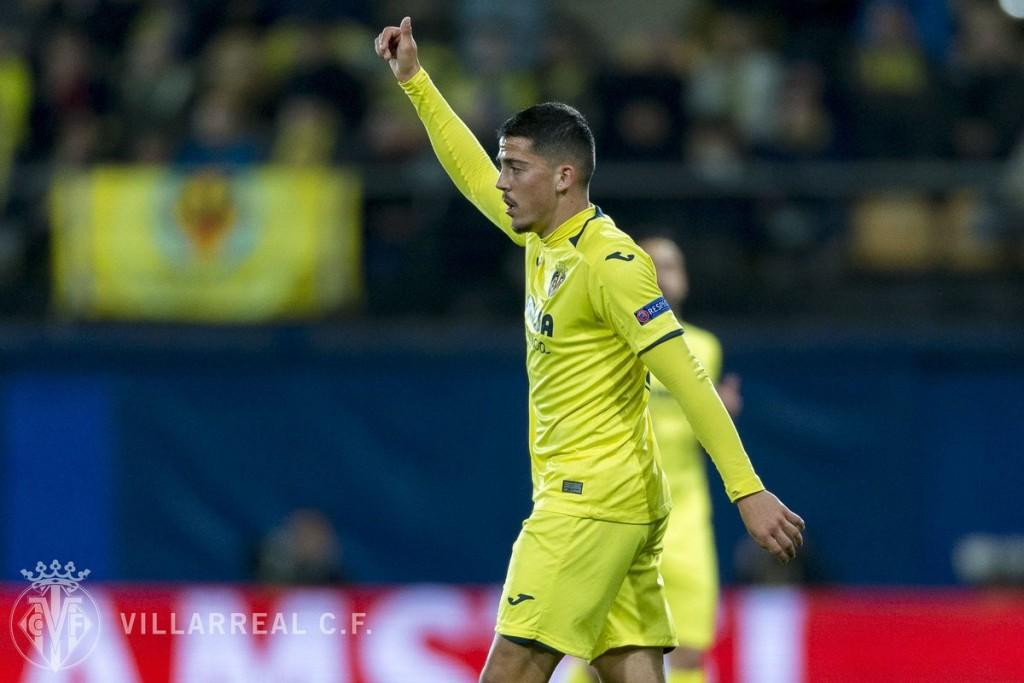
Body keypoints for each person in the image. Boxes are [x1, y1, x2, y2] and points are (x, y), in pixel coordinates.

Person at [374, 18, 805, 683]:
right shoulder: (541, 238)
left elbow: (688, 378)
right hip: (617, 499)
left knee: (512, 665)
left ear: (566, 175)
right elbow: (467, 172)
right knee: (630, 667)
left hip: (586, 505)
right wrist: (416, 83)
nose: (504, 180)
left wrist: (747, 490)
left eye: (517, 167)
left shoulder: (611, 264)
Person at [566, 236, 742, 683]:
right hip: (620, 515)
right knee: (600, 649)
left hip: (684, 523)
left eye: (673, 266)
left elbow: (702, 429)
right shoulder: (609, 340)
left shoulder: (706, 348)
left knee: (687, 651)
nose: (665, 275)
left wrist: (718, 416)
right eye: (654, 265)